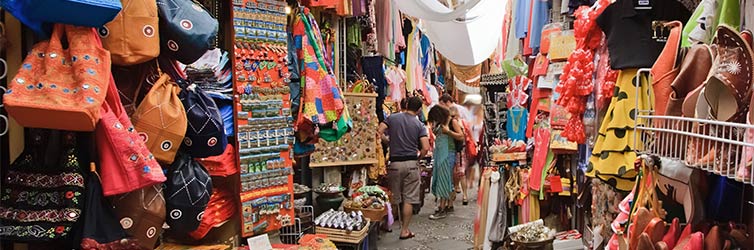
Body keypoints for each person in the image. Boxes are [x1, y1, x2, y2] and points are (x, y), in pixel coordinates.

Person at [377, 96, 430, 240]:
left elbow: (379, 131)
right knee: (409, 199)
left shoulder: (393, 118)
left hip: (394, 163)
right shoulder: (419, 125)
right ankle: (404, 230)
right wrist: (418, 158)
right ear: (419, 110)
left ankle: (388, 225)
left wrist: (388, 142)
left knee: (394, 196)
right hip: (411, 164)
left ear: (406, 105)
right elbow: (425, 147)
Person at [426, 105, 465, 220]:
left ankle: (442, 208)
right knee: (442, 179)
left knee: (443, 179)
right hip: (440, 153)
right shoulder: (440, 122)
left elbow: (461, 136)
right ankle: (446, 205)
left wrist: (448, 132)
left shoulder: (452, 121)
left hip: (447, 154)